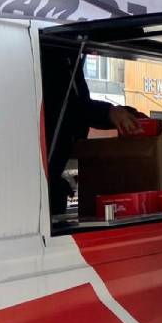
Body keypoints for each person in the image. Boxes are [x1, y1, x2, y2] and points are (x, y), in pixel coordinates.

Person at [41, 45, 144, 215]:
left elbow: (79, 108)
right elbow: (72, 109)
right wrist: (110, 112)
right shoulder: (52, 53)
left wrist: (122, 113)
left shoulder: (70, 57)